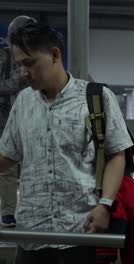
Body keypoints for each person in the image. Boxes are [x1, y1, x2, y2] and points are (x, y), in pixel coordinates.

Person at [0, 21, 133, 263]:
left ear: (54, 55)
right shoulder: (23, 103)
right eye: (20, 66)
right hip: (31, 234)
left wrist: (105, 205)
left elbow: (116, 154)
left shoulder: (97, 98)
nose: (23, 73)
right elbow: (7, 154)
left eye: (29, 63)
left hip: (81, 232)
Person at [0, 15, 37, 228]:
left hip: (32, 117)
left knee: (33, 162)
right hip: (5, 120)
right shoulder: (4, 57)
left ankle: (29, 208)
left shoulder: (38, 55)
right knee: (7, 167)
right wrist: (19, 79)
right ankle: (8, 212)